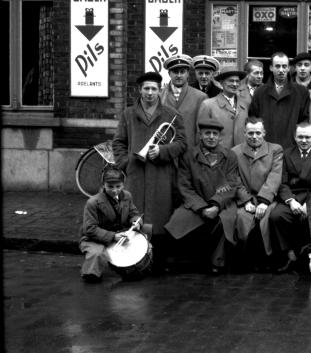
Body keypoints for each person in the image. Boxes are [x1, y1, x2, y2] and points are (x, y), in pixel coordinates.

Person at [112, 71, 186, 272]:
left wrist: (162, 151)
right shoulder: (128, 114)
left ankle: (158, 262)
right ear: (140, 90)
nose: (150, 93)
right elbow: (118, 142)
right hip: (136, 173)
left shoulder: (171, 114)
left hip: (162, 174)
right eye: (146, 88)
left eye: (154, 88)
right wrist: (125, 163)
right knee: (134, 217)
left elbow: (182, 143)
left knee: (160, 218)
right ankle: (134, 261)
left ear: (160, 90)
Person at [165, 118, 240, 274]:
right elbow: (185, 186)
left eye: (215, 134)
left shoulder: (230, 156)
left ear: (220, 137)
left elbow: (231, 185)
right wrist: (201, 207)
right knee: (177, 221)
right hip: (196, 203)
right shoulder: (188, 156)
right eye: (207, 133)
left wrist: (216, 204)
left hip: (221, 203)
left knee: (225, 220)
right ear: (200, 135)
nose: (211, 137)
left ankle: (216, 263)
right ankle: (179, 260)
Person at [270, 122, 311, 273]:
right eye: (300, 137)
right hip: (293, 196)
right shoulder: (287, 154)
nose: (304, 140)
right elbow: (282, 182)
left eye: (307, 137)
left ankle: (309, 257)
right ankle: (289, 254)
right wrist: (290, 201)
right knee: (276, 216)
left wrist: (309, 204)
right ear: (294, 137)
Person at [223, 117, 284, 269]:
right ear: (244, 133)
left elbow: (275, 176)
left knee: (267, 218)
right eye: (250, 133)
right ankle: (245, 261)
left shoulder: (275, 150)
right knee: (242, 218)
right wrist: (246, 201)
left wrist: (264, 201)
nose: (254, 137)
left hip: (267, 198)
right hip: (245, 197)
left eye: (258, 132)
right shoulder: (235, 152)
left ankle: (269, 261)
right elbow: (234, 179)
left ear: (264, 133)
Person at [79, 166, 144, 282]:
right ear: (103, 185)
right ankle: (91, 275)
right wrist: (113, 236)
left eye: (118, 186)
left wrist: (136, 221)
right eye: (110, 187)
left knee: (146, 232)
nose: (115, 190)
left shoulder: (127, 196)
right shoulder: (93, 202)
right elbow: (90, 229)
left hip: (120, 234)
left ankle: (132, 267)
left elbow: (134, 213)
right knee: (97, 254)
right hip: (96, 238)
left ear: (123, 184)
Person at [250, 52, 311, 149]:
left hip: (292, 148)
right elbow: (253, 120)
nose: (281, 70)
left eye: (284, 66)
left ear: (289, 68)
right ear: (271, 68)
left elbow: (304, 121)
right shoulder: (260, 92)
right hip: (265, 149)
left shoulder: (301, 92)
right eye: (277, 66)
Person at [160, 54, 207, 148]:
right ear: (169, 73)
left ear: (188, 73)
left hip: (189, 151)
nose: (179, 75)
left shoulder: (200, 97)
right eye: (175, 72)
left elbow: (201, 129)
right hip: (165, 150)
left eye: (182, 72)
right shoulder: (160, 96)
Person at [197, 66, 249, 149]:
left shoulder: (245, 104)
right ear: (221, 83)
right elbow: (201, 134)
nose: (235, 84)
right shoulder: (208, 105)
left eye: (237, 81)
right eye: (231, 81)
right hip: (218, 155)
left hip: (240, 155)